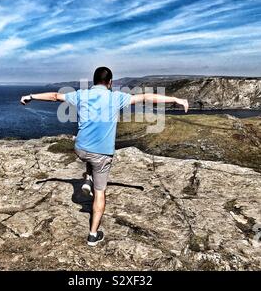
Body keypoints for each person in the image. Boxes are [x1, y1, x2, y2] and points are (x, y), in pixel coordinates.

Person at [20, 67, 188, 246]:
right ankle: (93, 234)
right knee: (100, 193)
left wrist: (30, 96)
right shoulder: (116, 97)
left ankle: (88, 179)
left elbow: (54, 96)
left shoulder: (81, 95)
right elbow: (147, 97)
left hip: (81, 149)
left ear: (94, 81)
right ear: (110, 83)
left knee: (89, 155)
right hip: (101, 155)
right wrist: (176, 99)